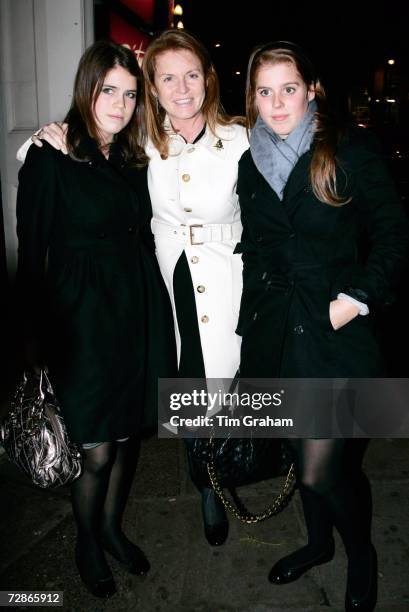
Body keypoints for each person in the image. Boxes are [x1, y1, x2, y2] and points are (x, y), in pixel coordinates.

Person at [21, 29, 250, 547]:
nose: (181, 87)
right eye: (166, 78)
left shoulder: (215, 141)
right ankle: (95, 539)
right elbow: (36, 238)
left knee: (179, 414)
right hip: (121, 302)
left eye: (191, 74)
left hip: (181, 293)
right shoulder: (119, 145)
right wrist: (36, 138)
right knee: (114, 435)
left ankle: (191, 493)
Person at [235, 41, 408, 611]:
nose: (278, 102)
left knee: (319, 468)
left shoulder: (348, 148)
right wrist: (251, 328)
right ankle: (317, 544)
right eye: (265, 90)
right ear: (252, 98)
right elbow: (257, 249)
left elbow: (393, 232)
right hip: (275, 330)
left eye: (289, 88)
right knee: (296, 450)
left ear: (312, 89)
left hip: (335, 329)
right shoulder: (250, 161)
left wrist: (355, 298)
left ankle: (361, 553)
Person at [16, 40, 176, 598]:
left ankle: (110, 526)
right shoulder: (51, 155)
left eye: (131, 94)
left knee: (126, 433)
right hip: (79, 324)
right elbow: (30, 251)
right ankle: (86, 538)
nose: (121, 103)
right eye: (110, 90)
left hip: (134, 314)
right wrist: (34, 343)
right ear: (87, 88)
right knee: (96, 447)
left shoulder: (132, 158)